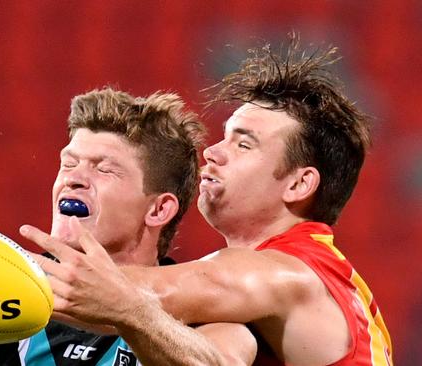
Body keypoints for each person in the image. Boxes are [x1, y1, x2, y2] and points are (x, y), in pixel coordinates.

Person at [20, 34, 393, 366]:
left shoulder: (287, 274)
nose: (213, 152)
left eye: (243, 144)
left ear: (298, 185)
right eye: (225, 137)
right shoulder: (308, 278)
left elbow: (120, 297)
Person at [0, 87, 257, 365]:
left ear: (158, 210)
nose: (74, 179)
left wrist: (131, 313)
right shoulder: (10, 285)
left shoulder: (203, 309)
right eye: (69, 164)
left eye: (104, 169)